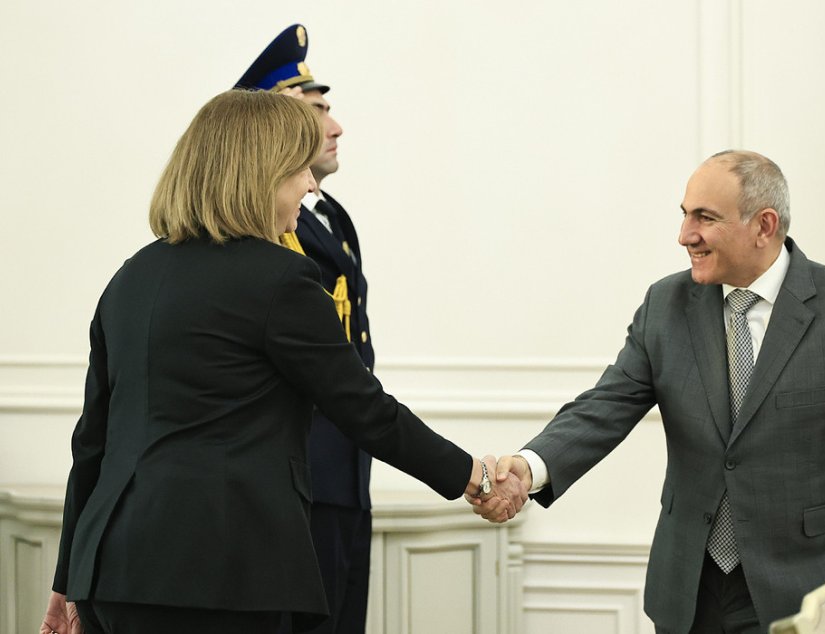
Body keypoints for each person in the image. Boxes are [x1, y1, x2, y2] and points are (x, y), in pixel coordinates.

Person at [38, 89, 524, 634]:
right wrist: (476, 476)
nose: (311, 185)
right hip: (219, 575)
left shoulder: (129, 278)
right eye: (299, 169)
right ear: (261, 174)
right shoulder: (279, 279)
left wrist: (65, 580)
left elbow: (92, 445)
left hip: (108, 574)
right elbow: (364, 410)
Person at [475, 150, 825, 633]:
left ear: (764, 225)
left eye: (705, 218)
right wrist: (529, 467)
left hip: (806, 595)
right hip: (688, 594)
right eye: (685, 214)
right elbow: (605, 407)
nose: (685, 234)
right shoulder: (665, 304)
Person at [234, 24, 377, 634]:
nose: (335, 126)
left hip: (347, 465)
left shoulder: (329, 215)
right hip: (301, 471)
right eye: (316, 113)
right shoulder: (264, 223)